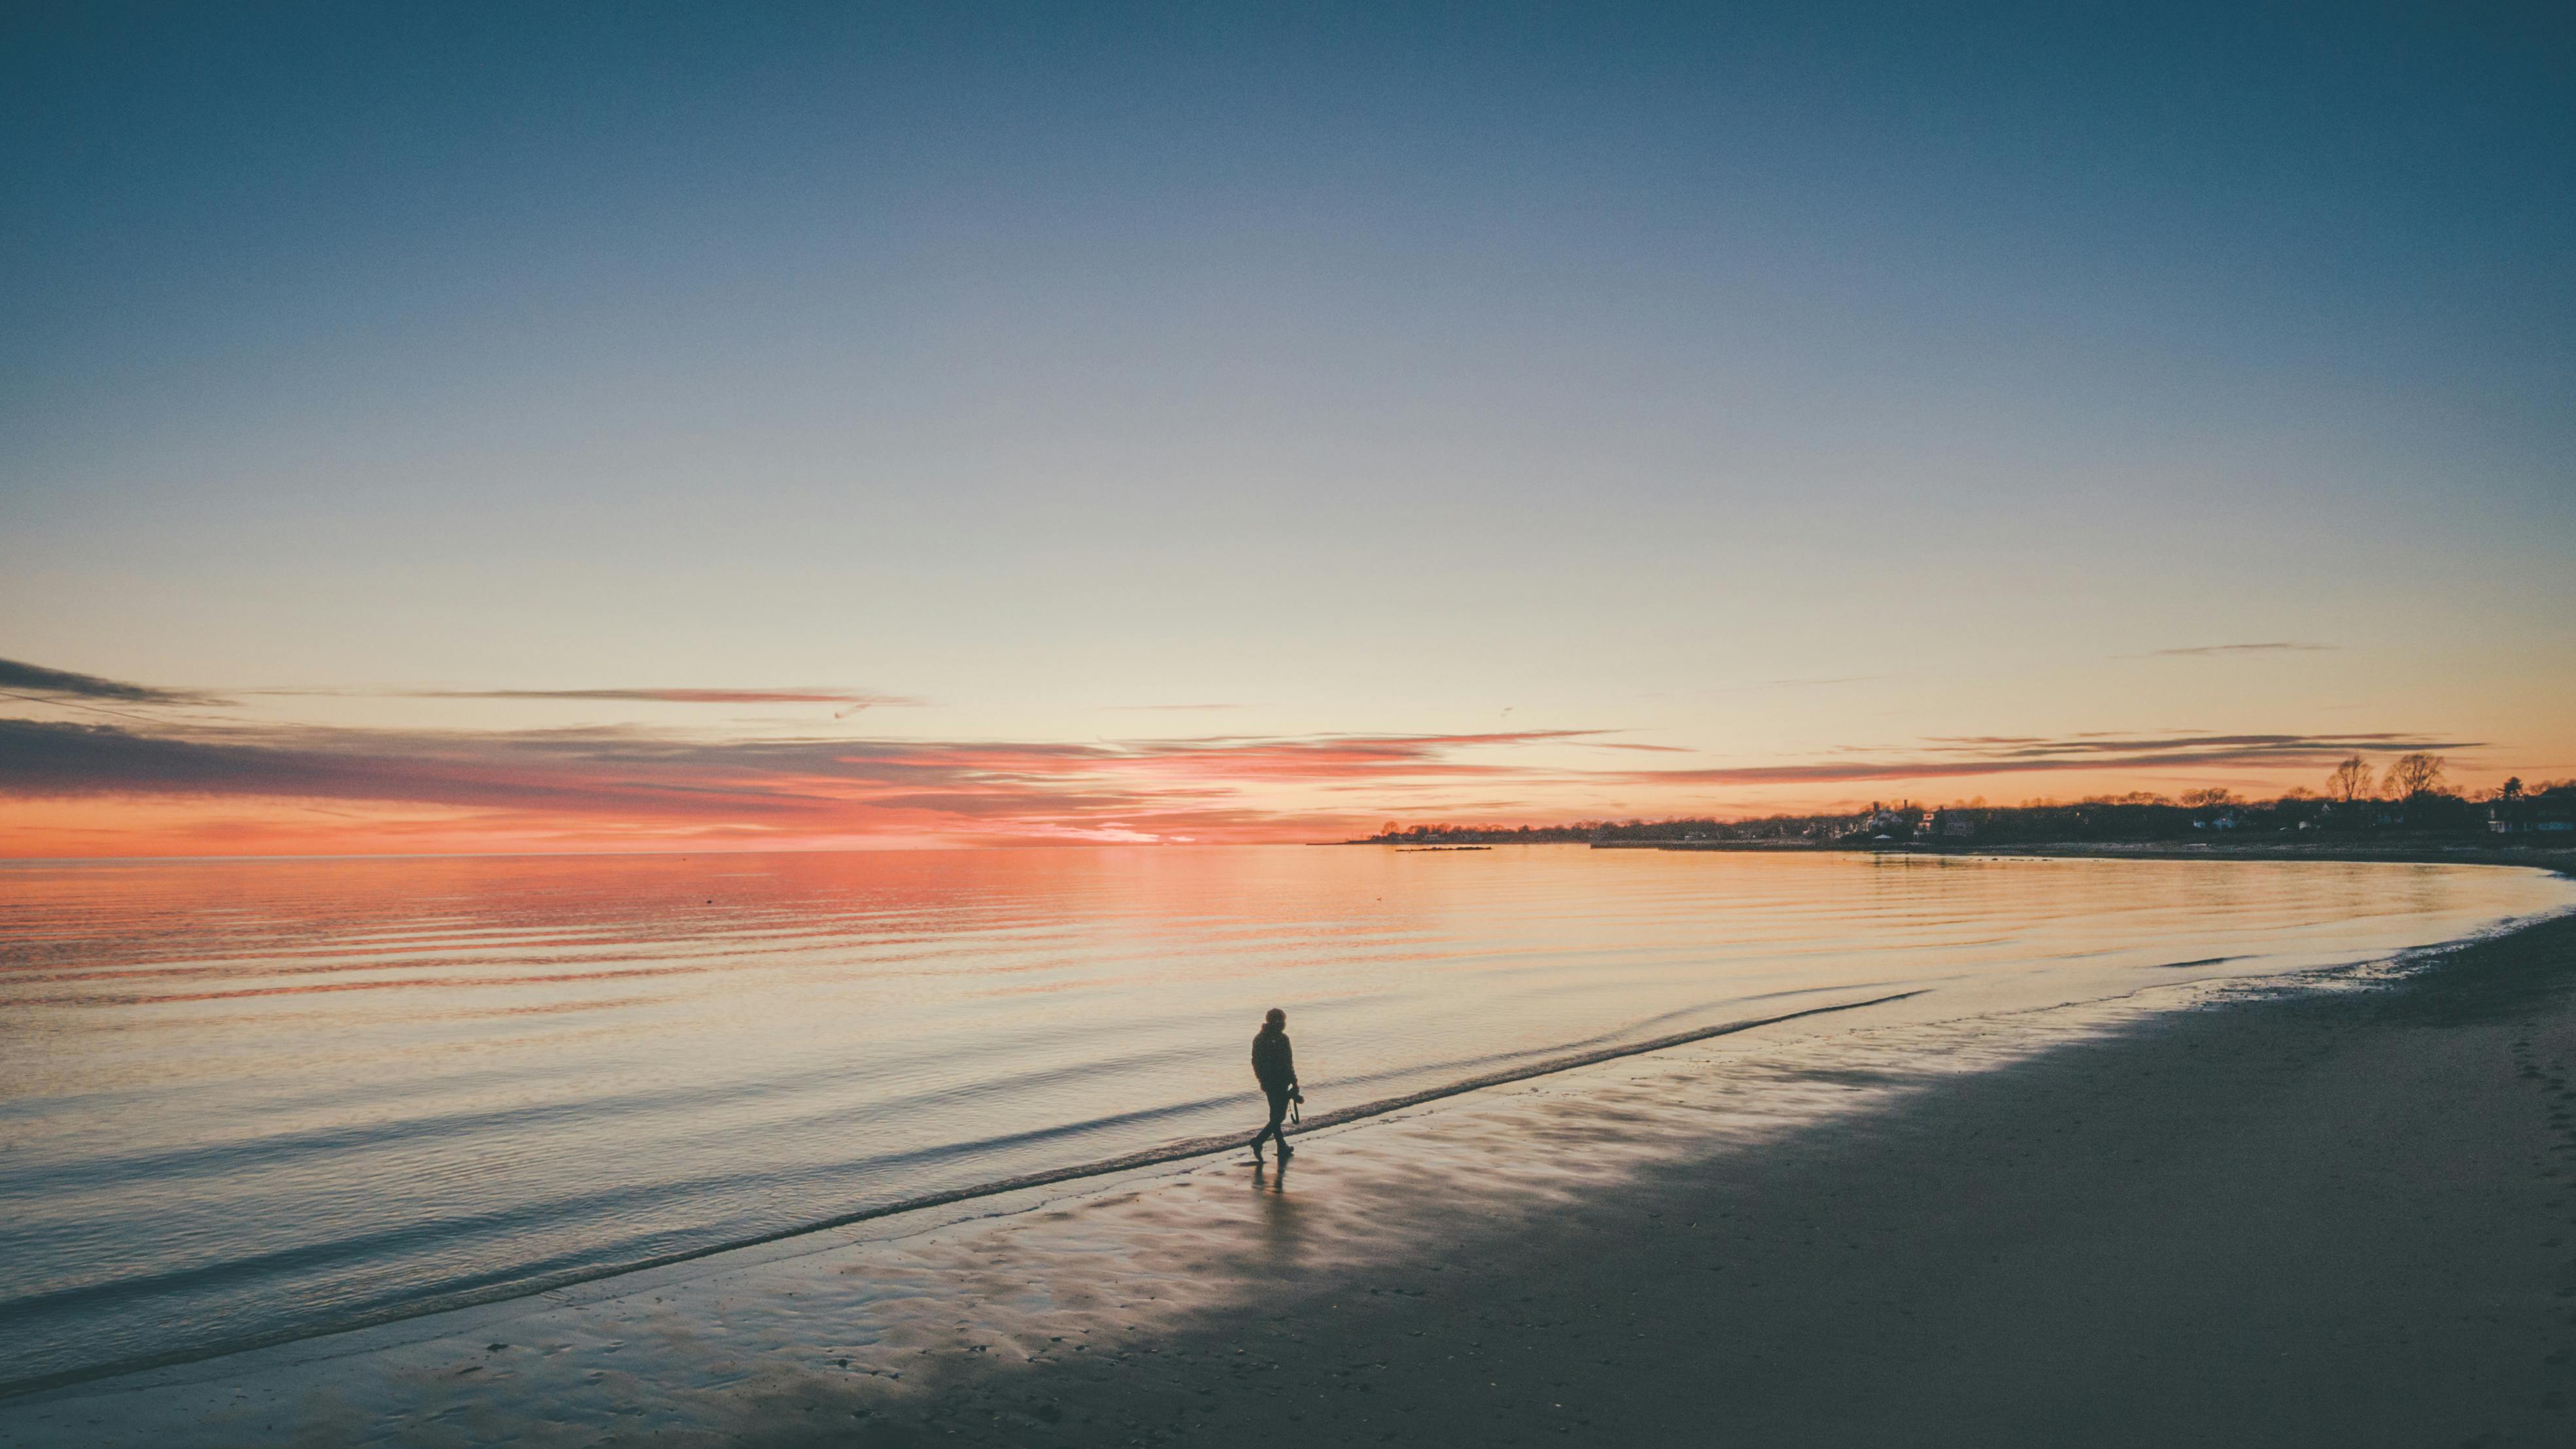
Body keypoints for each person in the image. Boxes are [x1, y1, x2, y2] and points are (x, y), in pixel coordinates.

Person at [1250, 1007, 1300, 1163]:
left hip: (1282, 1081)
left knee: (1276, 1116)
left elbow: (1288, 1063)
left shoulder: (1281, 1038)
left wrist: (1294, 1082)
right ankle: (1259, 1141)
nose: (1282, 1023)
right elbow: (1257, 1062)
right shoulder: (1262, 1039)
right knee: (1278, 1116)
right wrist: (1263, 1080)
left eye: (1283, 1020)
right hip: (1272, 1082)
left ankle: (1281, 1146)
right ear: (1272, 1021)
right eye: (1280, 1020)